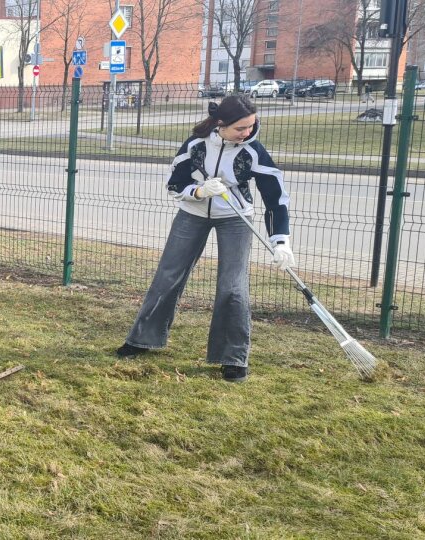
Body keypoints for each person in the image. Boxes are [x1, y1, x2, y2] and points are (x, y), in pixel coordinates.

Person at [115, 95, 294, 383]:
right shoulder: (196, 144)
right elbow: (175, 183)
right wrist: (198, 192)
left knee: (233, 287)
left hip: (235, 218)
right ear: (221, 123)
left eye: (251, 126)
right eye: (240, 128)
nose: (247, 132)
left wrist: (280, 240)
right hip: (192, 214)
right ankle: (142, 339)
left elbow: (276, 197)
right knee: (168, 275)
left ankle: (232, 358)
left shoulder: (254, 151)